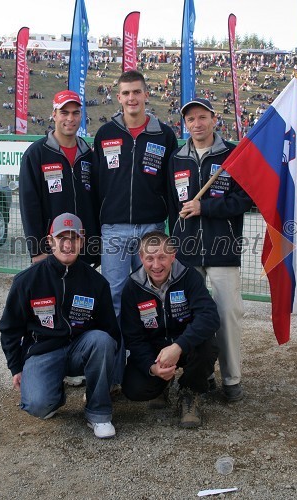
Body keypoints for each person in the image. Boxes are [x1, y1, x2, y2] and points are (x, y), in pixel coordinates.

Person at [0, 213, 120, 439]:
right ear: (50, 241)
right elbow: (9, 327)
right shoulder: (27, 280)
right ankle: (55, 393)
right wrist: (16, 366)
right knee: (38, 405)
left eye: (74, 238)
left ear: (82, 241)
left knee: (102, 340)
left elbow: (111, 331)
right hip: (43, 351)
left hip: (79, 350)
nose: (67, 244)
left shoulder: (96, 282)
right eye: (61, 238)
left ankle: (98, 412)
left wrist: (105, 366)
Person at [93, 70, 178, 384]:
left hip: (151, 229)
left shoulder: (163, 135)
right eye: (126, 93)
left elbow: (171, 185)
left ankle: (151, 372)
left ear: (146, 95)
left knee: (151, 299)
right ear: (119, 97)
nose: (131, 98)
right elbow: (98, 184)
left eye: (136, 92)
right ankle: (113, 377)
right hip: (114, 230)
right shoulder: (105, 134)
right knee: (115, 300)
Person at [167, 97, 253, 402]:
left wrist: (206, 207)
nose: (197, 124)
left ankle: (232, 379)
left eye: (202, 117)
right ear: (185, 124)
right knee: (189, 315)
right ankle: (199, 374)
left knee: (228, 312)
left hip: (222, 249)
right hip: (187, 251)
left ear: (214, 119)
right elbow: (170, 206)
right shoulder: (177, 157)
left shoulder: (233, 155)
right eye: (191, 119)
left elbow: (244, 200)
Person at [120, 231, 220, 428]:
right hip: (156, 351)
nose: (156, 265)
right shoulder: (132, 287)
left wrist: (179, 346)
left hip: (185, 346)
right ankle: (162, 384)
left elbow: (209, 317)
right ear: (141, 258)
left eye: (162, 257)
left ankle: (189, 392)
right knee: (133, 389)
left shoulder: (189, 276)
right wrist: (152, 366)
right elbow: (133, 337)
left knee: (208, 344)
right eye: (149, 258)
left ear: (173, 255)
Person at [19, 89, 99, 267]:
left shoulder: (89, 155)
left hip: (83, 249)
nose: (70, 118)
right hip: (51, 251)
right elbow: (29, 205)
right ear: (54, 115)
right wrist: (37, 250)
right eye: (64, 112)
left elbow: (95, 202)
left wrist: (95, 245)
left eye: (75, 113)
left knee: (82, 294)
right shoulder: (36, 154)